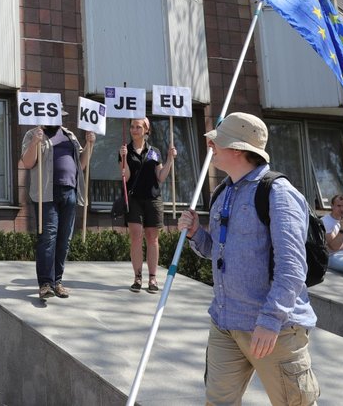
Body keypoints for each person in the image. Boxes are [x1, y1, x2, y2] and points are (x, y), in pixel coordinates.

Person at [178, 112, 319, 405]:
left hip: (274, 330)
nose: (211, 147)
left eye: (218, 142)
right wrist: (194, 234)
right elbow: (216, 251)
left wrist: (270, 319)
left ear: (239, 150)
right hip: (225, 324)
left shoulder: (278, 193)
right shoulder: (223, 191)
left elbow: (292, 267)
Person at [20, 124, 95, 299]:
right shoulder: (33, 134)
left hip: (69, 192)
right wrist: (35, 142)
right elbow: (28, 162)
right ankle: (45, 283)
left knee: (64, 238)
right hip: (46, 193)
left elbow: (81, 165)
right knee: (48, 236)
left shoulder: (69, 135)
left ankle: (57, 282)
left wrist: (90, 144)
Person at [119, 117, 176, 293]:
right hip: (134, 199)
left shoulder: (155, 151)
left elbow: (161, 177)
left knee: (153, 238)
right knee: (135, 237)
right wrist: (123, 158)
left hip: (153, 199)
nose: (134, 130)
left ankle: (153, 278)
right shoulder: (125, 150)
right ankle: (137, 277)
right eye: (132, 127)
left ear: (146, 130)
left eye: (138, 127)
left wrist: (170, 159)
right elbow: (126, 177)